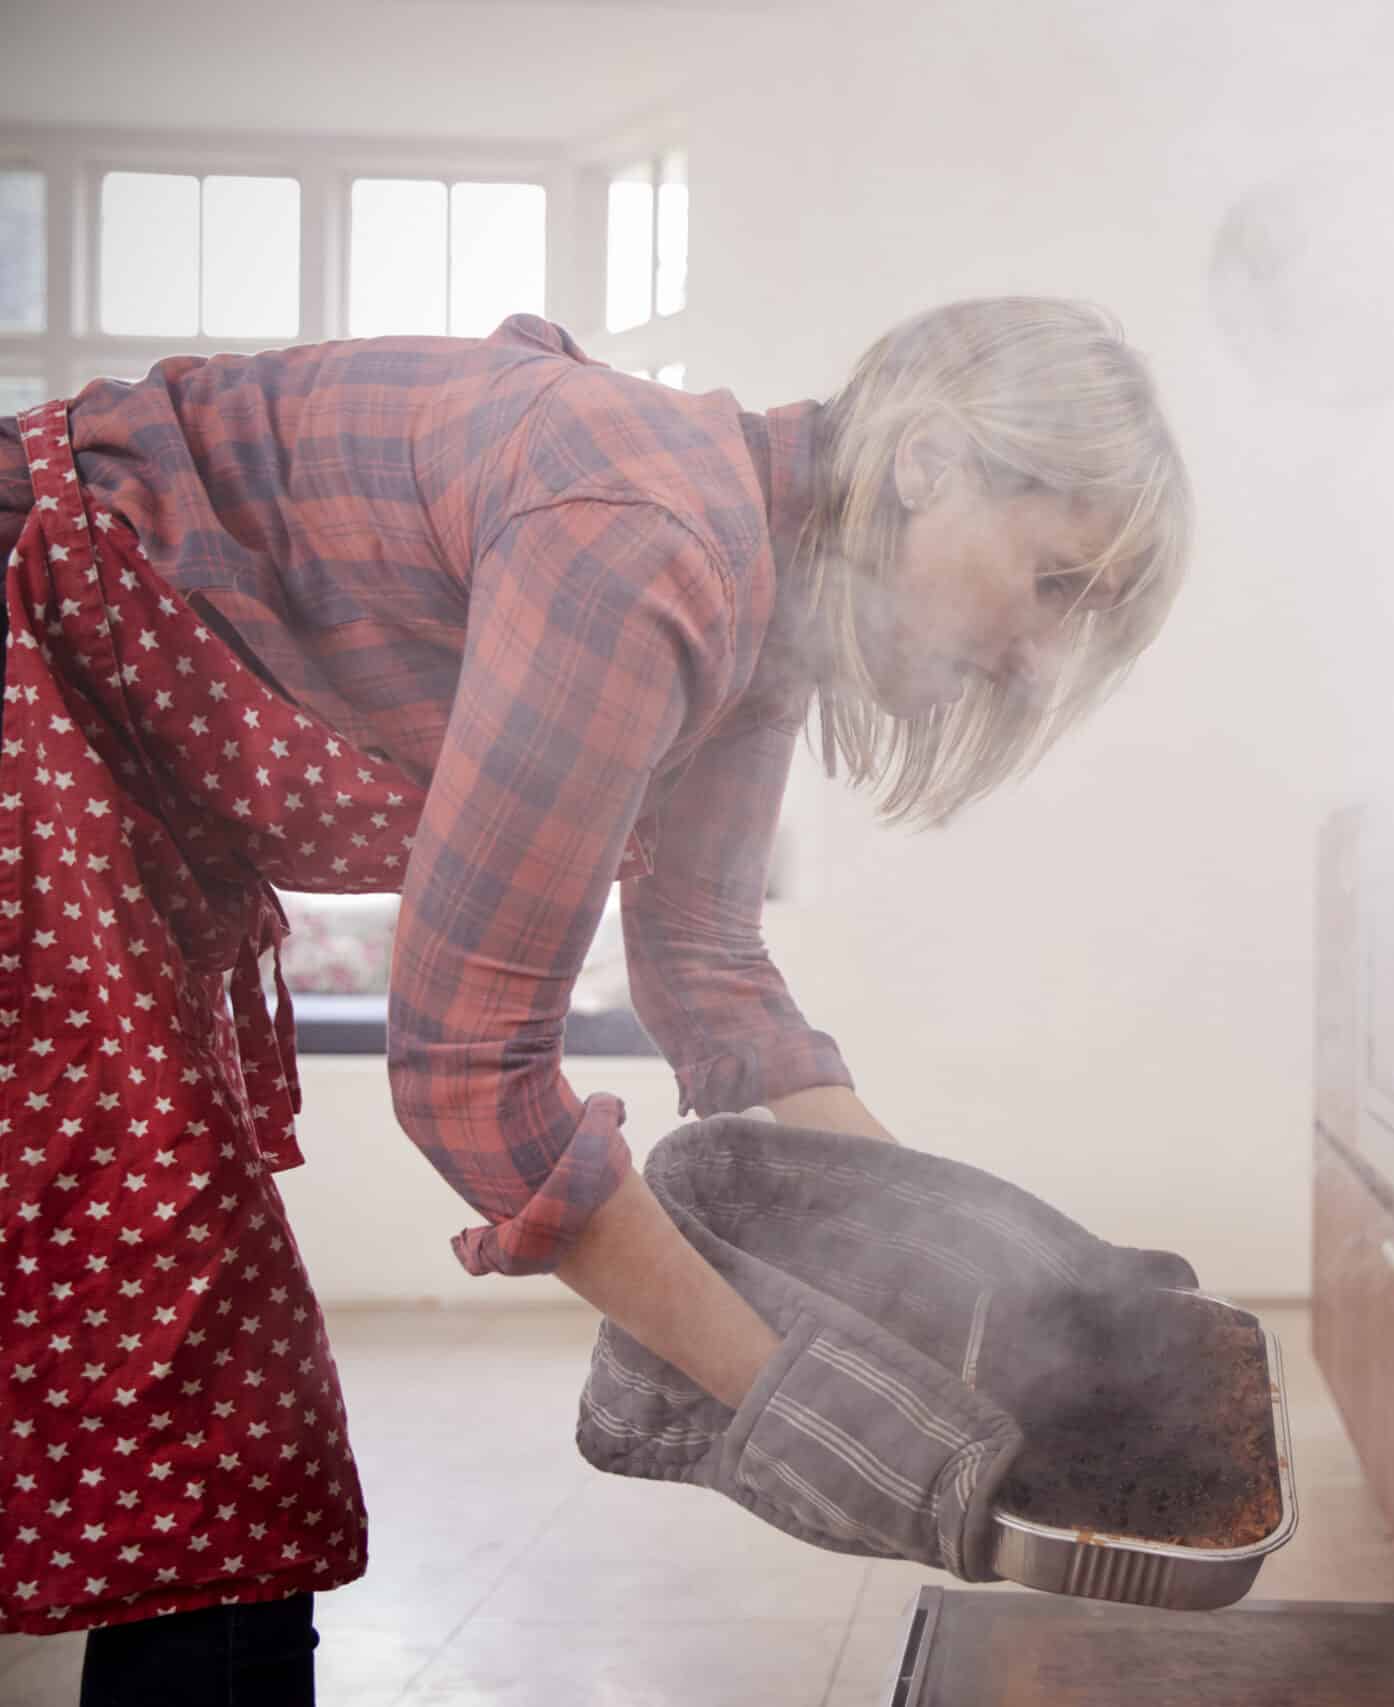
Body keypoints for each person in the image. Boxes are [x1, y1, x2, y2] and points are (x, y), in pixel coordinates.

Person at [0, 300, 1193, 1702]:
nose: (1048, 658)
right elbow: (468, 1072)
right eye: (1057, 584)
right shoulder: (645, 539)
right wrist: (795, 1402)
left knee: (203, 1438)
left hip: (103, 789)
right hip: (33, 702)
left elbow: (706, 966)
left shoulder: (764, 595)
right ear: (929, 461)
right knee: (196, 1425)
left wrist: (976, 1268)